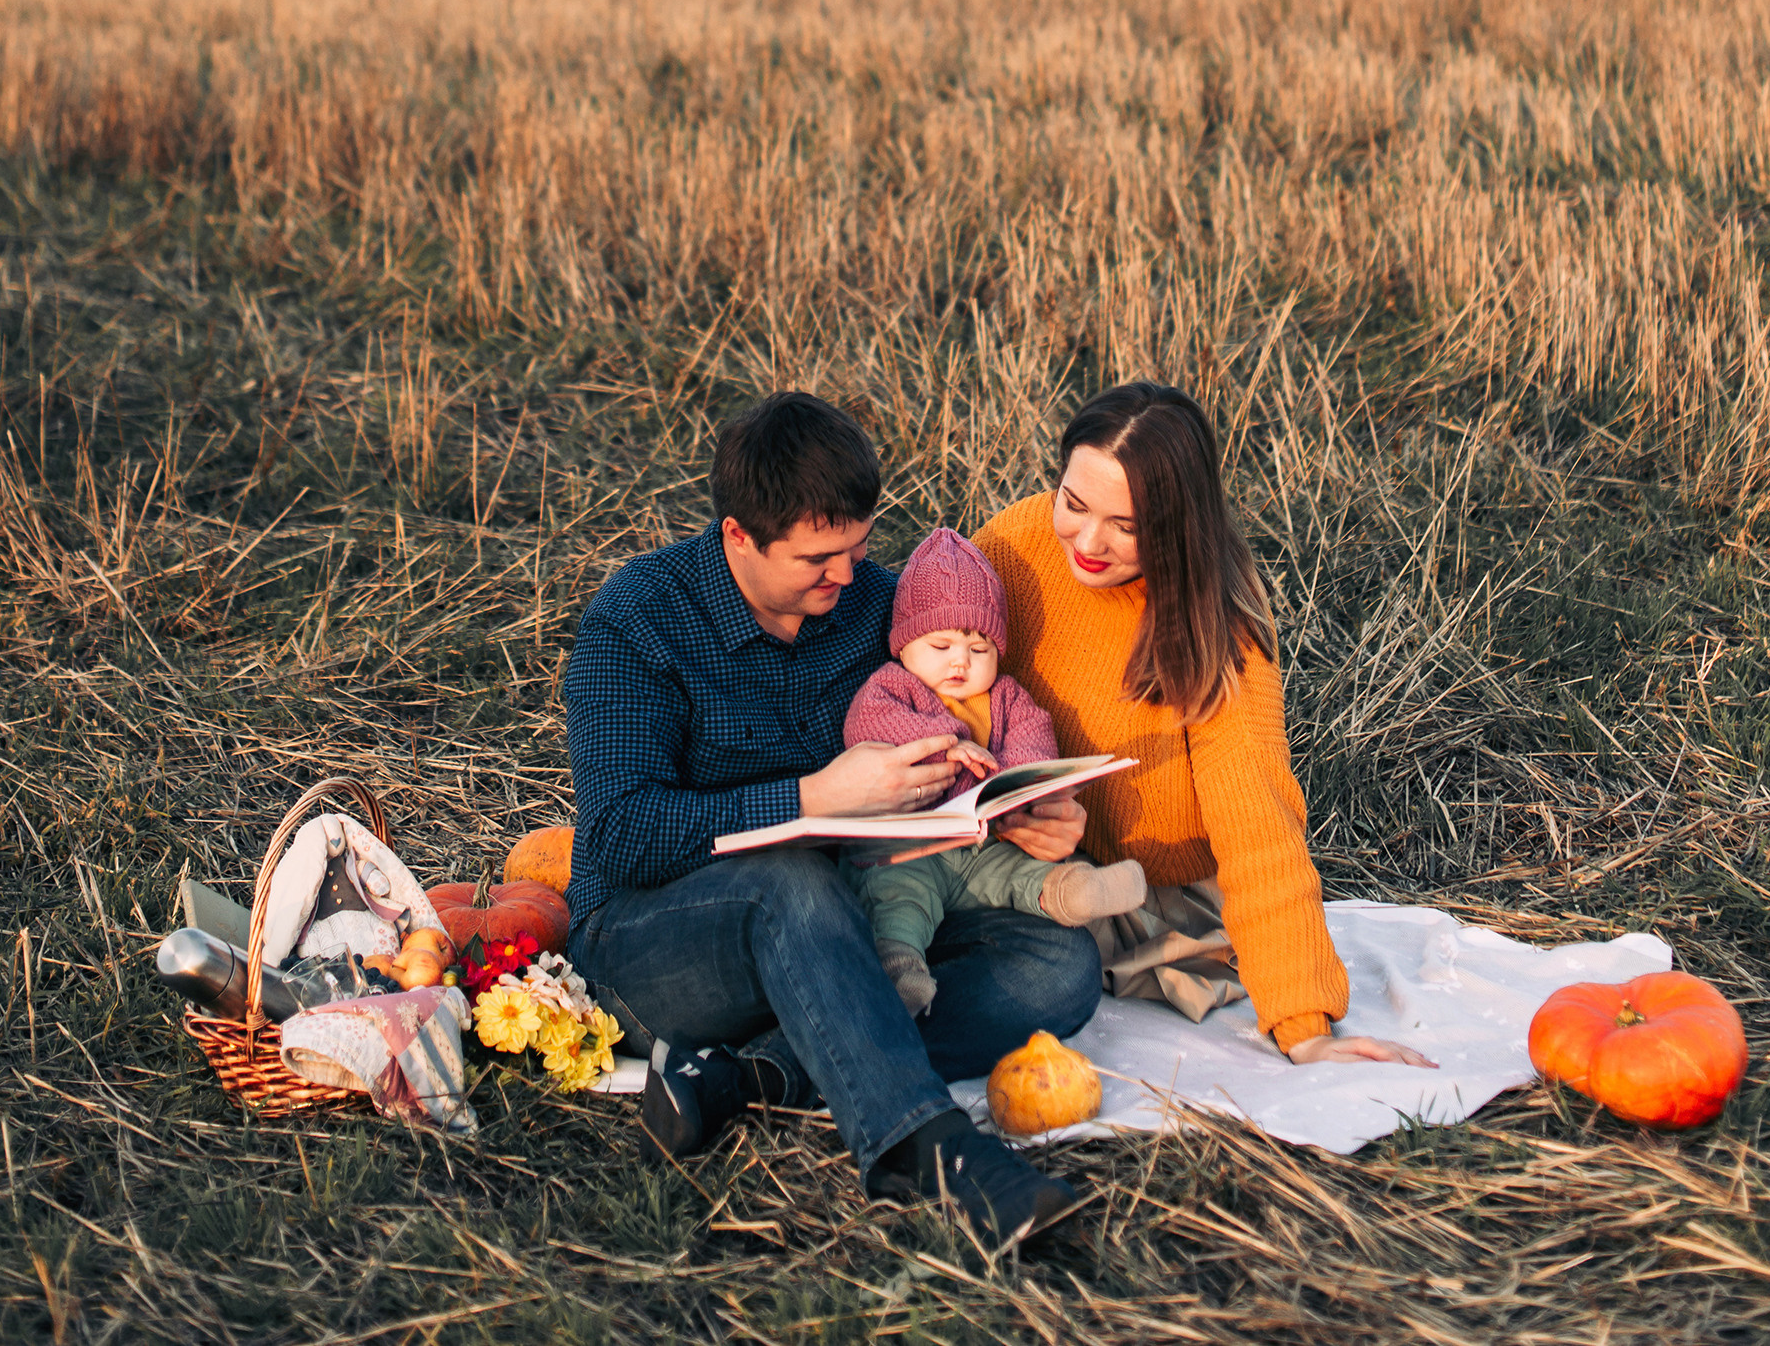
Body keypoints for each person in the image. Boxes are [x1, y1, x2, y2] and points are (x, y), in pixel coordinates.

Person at [563, 392, 1102, 1249]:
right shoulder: (638, 622)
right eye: (818, 558)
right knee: (789, 881)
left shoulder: (877, 606)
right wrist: (814, 799)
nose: (846, 576)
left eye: (858, 547)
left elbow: (972, 724)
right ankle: (931, 1151)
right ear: (739, 535)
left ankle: (748, 1076)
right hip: (654, 943)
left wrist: (1024, 812)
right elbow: (623, 835)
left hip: (860, 907)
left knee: (1060, 965)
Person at [975, 380, 1434, 1071]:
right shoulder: (1012, 542)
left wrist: (1303, 1024)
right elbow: (929, 670)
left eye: (1127, 526)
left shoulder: (1219, 628)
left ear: (1177, 524)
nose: (1089, 541)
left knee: (1045, 974)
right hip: (1009, 854)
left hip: (1145, 895)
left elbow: (1257, 822)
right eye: (1073, 503)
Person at [842, 525, 1147, 1013]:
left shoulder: (1006, 697)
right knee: (899, 901)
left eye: (979, 649)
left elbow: (1033, 741)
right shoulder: (893, 687)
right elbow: (869, 727)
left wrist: (1017, 785)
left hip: (985, 846)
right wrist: (948, 748)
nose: (960, 663)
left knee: (1023, 873)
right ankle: (900, 972)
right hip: (909, 849)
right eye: (941, 647)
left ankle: (1076, 893)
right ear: (903, 645)